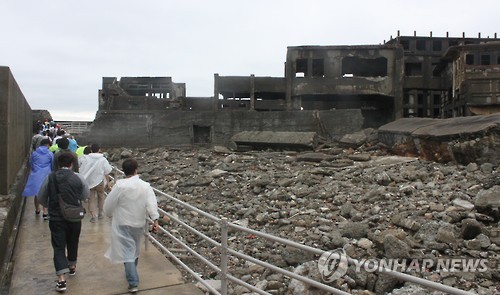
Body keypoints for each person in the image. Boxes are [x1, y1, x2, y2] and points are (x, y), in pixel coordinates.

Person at [103, 158, 159, 293]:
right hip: (138, 222)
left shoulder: (120, 186)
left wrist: (109, 213)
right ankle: (132, 271)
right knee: (134, 249)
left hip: (122, 222)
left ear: (124, 170)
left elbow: (109, 204)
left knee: (128, 251)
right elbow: (151, 204)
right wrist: (155, 220)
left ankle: (133, 281)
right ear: (136, 169)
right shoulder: (145, 186)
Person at [38, 152, 90, 292]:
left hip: (56, 218)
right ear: (72, 164)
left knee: (59, 246)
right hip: (74, 217)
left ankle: (61, 280)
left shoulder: (50, 177)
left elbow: (41, 197)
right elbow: (86, 195)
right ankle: (72, 266)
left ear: (58, 164)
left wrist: (51, 205)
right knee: (73, 241)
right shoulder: (78, 177)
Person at [79, 144, 112, 222]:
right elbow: (107, 172)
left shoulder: (86, 158)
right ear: (99, 149)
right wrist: (107, 183)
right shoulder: (103, 159)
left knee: (91, 199)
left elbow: (81, 168)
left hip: (89, 181)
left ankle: (93, 216)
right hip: (99, 180)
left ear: (91, 150)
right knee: (101, 197)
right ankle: (100, 213)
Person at [22, 138, 53, 219]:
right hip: (46, 174)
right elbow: (52, 165)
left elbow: (31, 163)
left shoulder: (34, 153)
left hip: (36, 174)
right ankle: (45, 212)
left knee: (37, 193)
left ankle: (37, 210)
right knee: (46, 193)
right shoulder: (50, 154)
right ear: (47, 145)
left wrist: (35, 170)